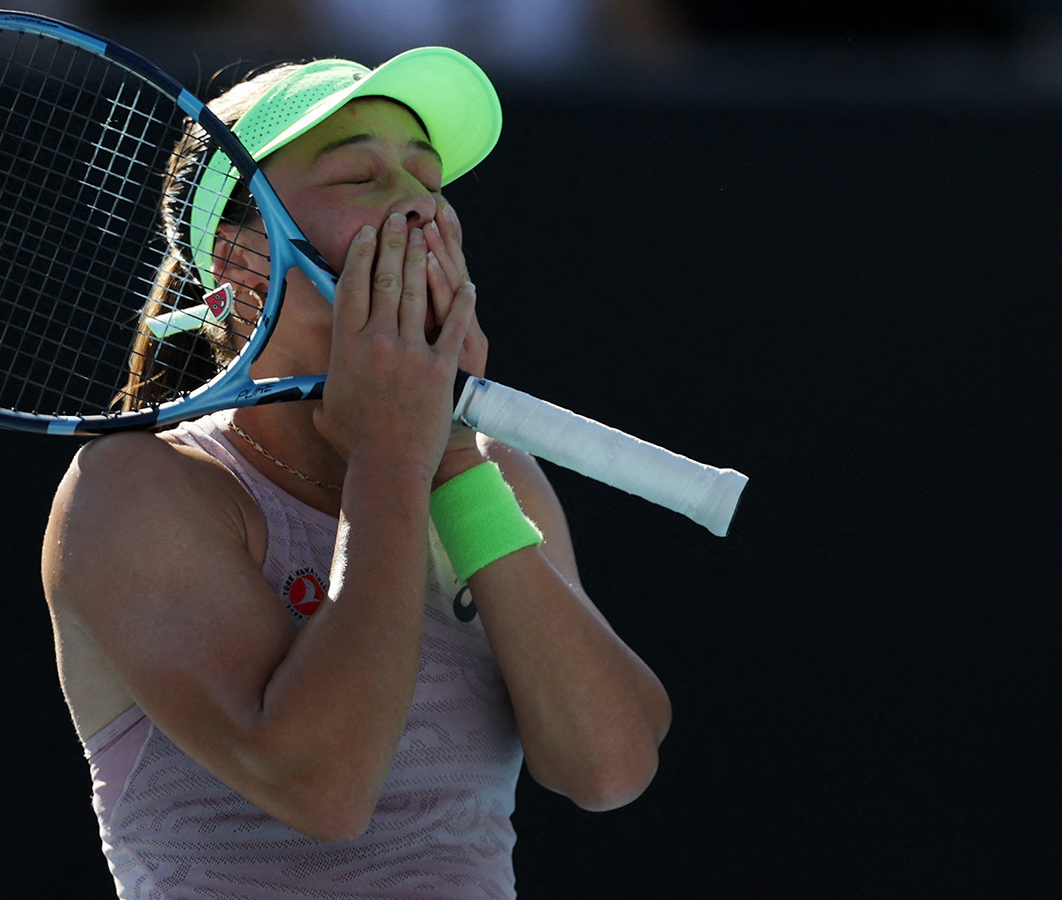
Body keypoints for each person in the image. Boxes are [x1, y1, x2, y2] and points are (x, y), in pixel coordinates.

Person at [41, 45, 671, 898]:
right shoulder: (136, 488)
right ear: (239, 261)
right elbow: (325, 788)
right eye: (359, 179)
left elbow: (610, 768)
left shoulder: (491, 477)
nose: (417, 207)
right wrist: (392, 459)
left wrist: (448, 459)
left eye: (427, 179)